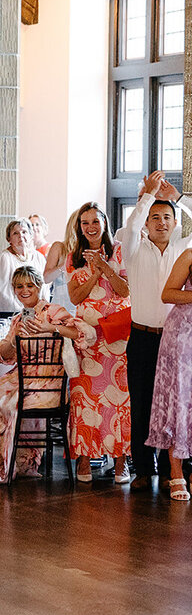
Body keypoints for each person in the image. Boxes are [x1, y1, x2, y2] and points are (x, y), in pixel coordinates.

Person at [0, 266, 85, 486]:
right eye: (19, 286)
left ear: (39, 287)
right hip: (21, 378)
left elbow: (80, 333)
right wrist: (13, 341)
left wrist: (50, 327)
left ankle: (14, 461)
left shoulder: (55, 311)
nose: (24, 290)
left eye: (30, 285)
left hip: (49, 383)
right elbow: (3, 355)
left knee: (4, 399)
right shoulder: (18, 319)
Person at [119, 171, 192, 490]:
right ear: (147, 223)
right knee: (143, 402)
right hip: (143, 337)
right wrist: (147, 195)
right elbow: (130, 226)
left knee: (174, 404)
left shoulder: (184, 248)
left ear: (175, 223)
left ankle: (169, 470)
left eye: (167, 217)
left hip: (177, 341)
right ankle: (143, 470)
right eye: (155, 217)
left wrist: (178, 199)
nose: (161, 222)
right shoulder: (133, 247)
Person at [67, 201, 131, 483]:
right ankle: (84, 457)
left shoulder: (120, 250)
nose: (90, 227)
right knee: (86, 398)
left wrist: (105, 267)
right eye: (85, 223)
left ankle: (121, 462)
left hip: (116, 336)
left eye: (95, 221)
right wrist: (93, 271)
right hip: (87, 338)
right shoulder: (74, 256)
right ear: (79, 227)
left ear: (104, 223)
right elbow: (75, 297)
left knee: (119, 400)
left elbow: (125, 289)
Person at [147, 245, 192, 501]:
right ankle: (177, 474)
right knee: (180, 399)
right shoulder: (189, 255)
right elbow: (168, 294)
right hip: (184, 334)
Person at [0, 218, 48, 313]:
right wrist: (24, 313)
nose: (21, 236)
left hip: (37, 312)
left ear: (31, 236)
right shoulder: (4, 258)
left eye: (24, 232)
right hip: (11, 313)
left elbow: (44, 287)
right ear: (9, 239)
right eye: (15, 233)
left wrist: (41, 310)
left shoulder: (39, 257)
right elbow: (2, 292)